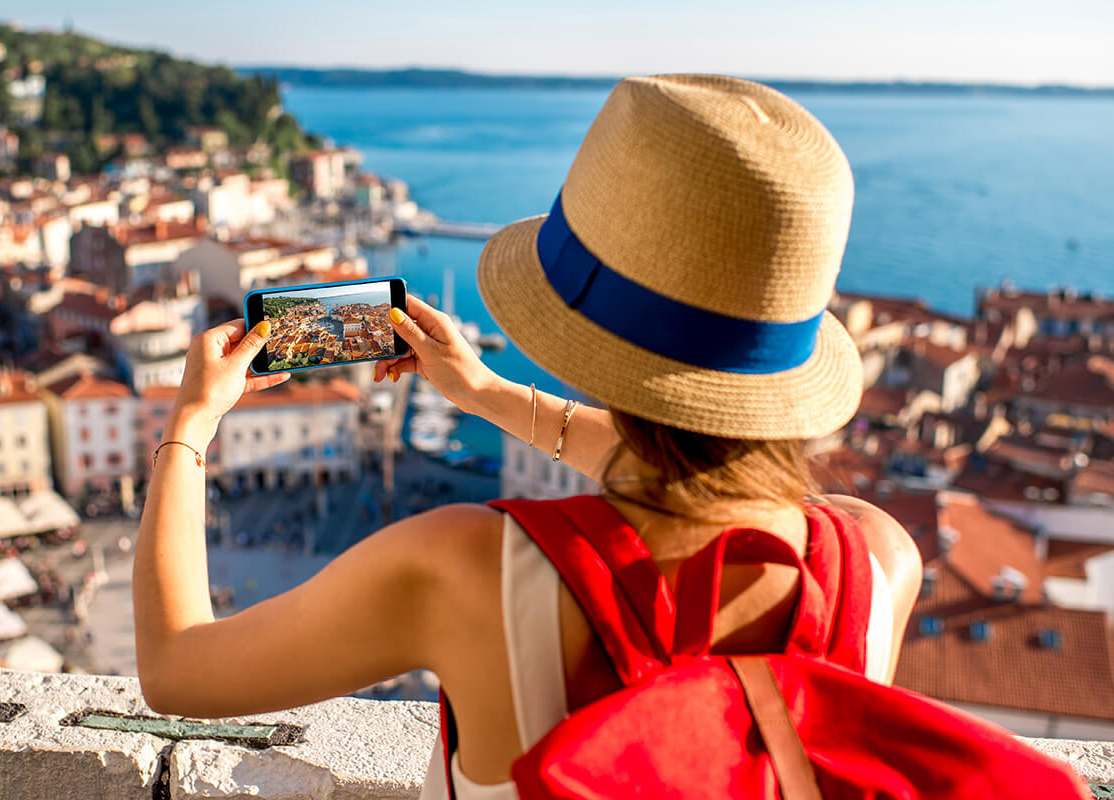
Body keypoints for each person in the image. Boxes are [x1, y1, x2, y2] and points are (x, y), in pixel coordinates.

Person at [132, 74, 922, 799]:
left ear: (586, 332)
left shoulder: (468, 566)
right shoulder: (879, 560)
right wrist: (484, 395)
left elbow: (177, 672)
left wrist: (189, 428)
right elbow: (704, 485)